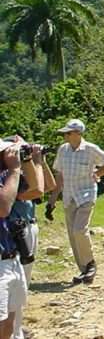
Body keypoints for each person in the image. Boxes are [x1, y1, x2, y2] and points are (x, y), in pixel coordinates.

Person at [46, 119, 104, 285]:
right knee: (73, 235)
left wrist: (97, 173)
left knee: (79, 230)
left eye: (68, 133)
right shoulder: (63, 150)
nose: (65, 135)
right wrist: (52, 200)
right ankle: (84, 269)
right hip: (69, 197)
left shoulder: (90, 149)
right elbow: (60, 176)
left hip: (86, 195)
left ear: (78, 134)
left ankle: (91, 263)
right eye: (65, 133)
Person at [4, 136, 49, 339]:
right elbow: (37, 189)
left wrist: (36, 160)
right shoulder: (8, 179)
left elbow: (48, 185)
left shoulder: (12, 176)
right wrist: (28, 163)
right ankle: (16, 332)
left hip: (22, 233)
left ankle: (16, 330)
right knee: (8, 302)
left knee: (19, 292)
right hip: (17, 233)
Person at [0, 140, 26, 339]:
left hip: (11, 258)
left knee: (10, 321)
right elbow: (3, 208)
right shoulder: (9, 174)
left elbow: (37, 188)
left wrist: (33, 159)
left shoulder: (4, 177)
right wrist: (15, 169)